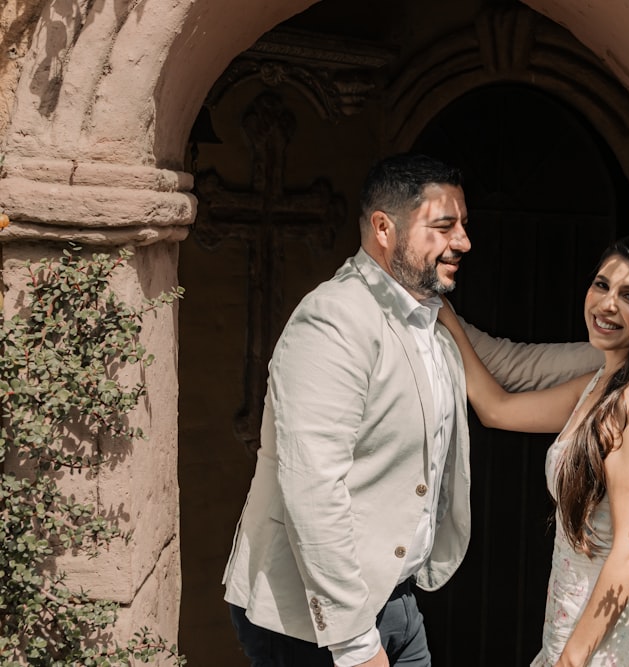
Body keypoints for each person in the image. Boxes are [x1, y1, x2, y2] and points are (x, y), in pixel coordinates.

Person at [221, 153, 601, 667]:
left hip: (395, 601)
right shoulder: (334, 322)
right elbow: (313, 489)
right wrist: (356, 644)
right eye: (444, 226)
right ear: (384, 228)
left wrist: (625, 351)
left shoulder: (431, 311)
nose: (463, 241)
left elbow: (515, 366)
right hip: (310, 621)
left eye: (463, 225)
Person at [438, 233, 629, 666]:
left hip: (608, 642)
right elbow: (497, 408)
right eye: (602, 285)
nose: (607, 305)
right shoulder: (600, 385)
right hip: (572, 624)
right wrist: (444, 317)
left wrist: (572, 658)